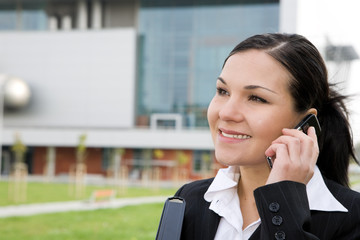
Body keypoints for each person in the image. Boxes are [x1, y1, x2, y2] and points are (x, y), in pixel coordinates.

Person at [174, 33, 360, 239]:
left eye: (256, 98)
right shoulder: (189, 199)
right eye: (222, 91)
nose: (226, 113)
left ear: (305, 123)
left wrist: (282, 200)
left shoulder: (353, 219)